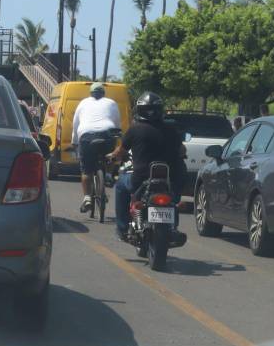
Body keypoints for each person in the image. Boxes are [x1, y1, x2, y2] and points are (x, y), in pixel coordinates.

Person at [110, 92, 187, 241]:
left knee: (120, 185)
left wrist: (112, 156)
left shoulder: (135, 129)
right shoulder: (172, 129)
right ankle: (173, 226)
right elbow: (182, 150)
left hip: (140, 179)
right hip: (171, 179)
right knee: (174, 200)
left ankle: (122, 228)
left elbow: (120, 152)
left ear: (139, 110)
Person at [71, 82, 121, 212]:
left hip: (86, 136)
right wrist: (118, 135)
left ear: (91, 93)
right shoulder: (111, 102)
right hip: (107, 134)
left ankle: (87, 198)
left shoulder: (83, 103)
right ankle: (109, 175)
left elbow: (75, 124)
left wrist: (74, 142)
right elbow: (117, 123)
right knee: (110, 156)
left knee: (86, 170)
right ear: (103, 93)